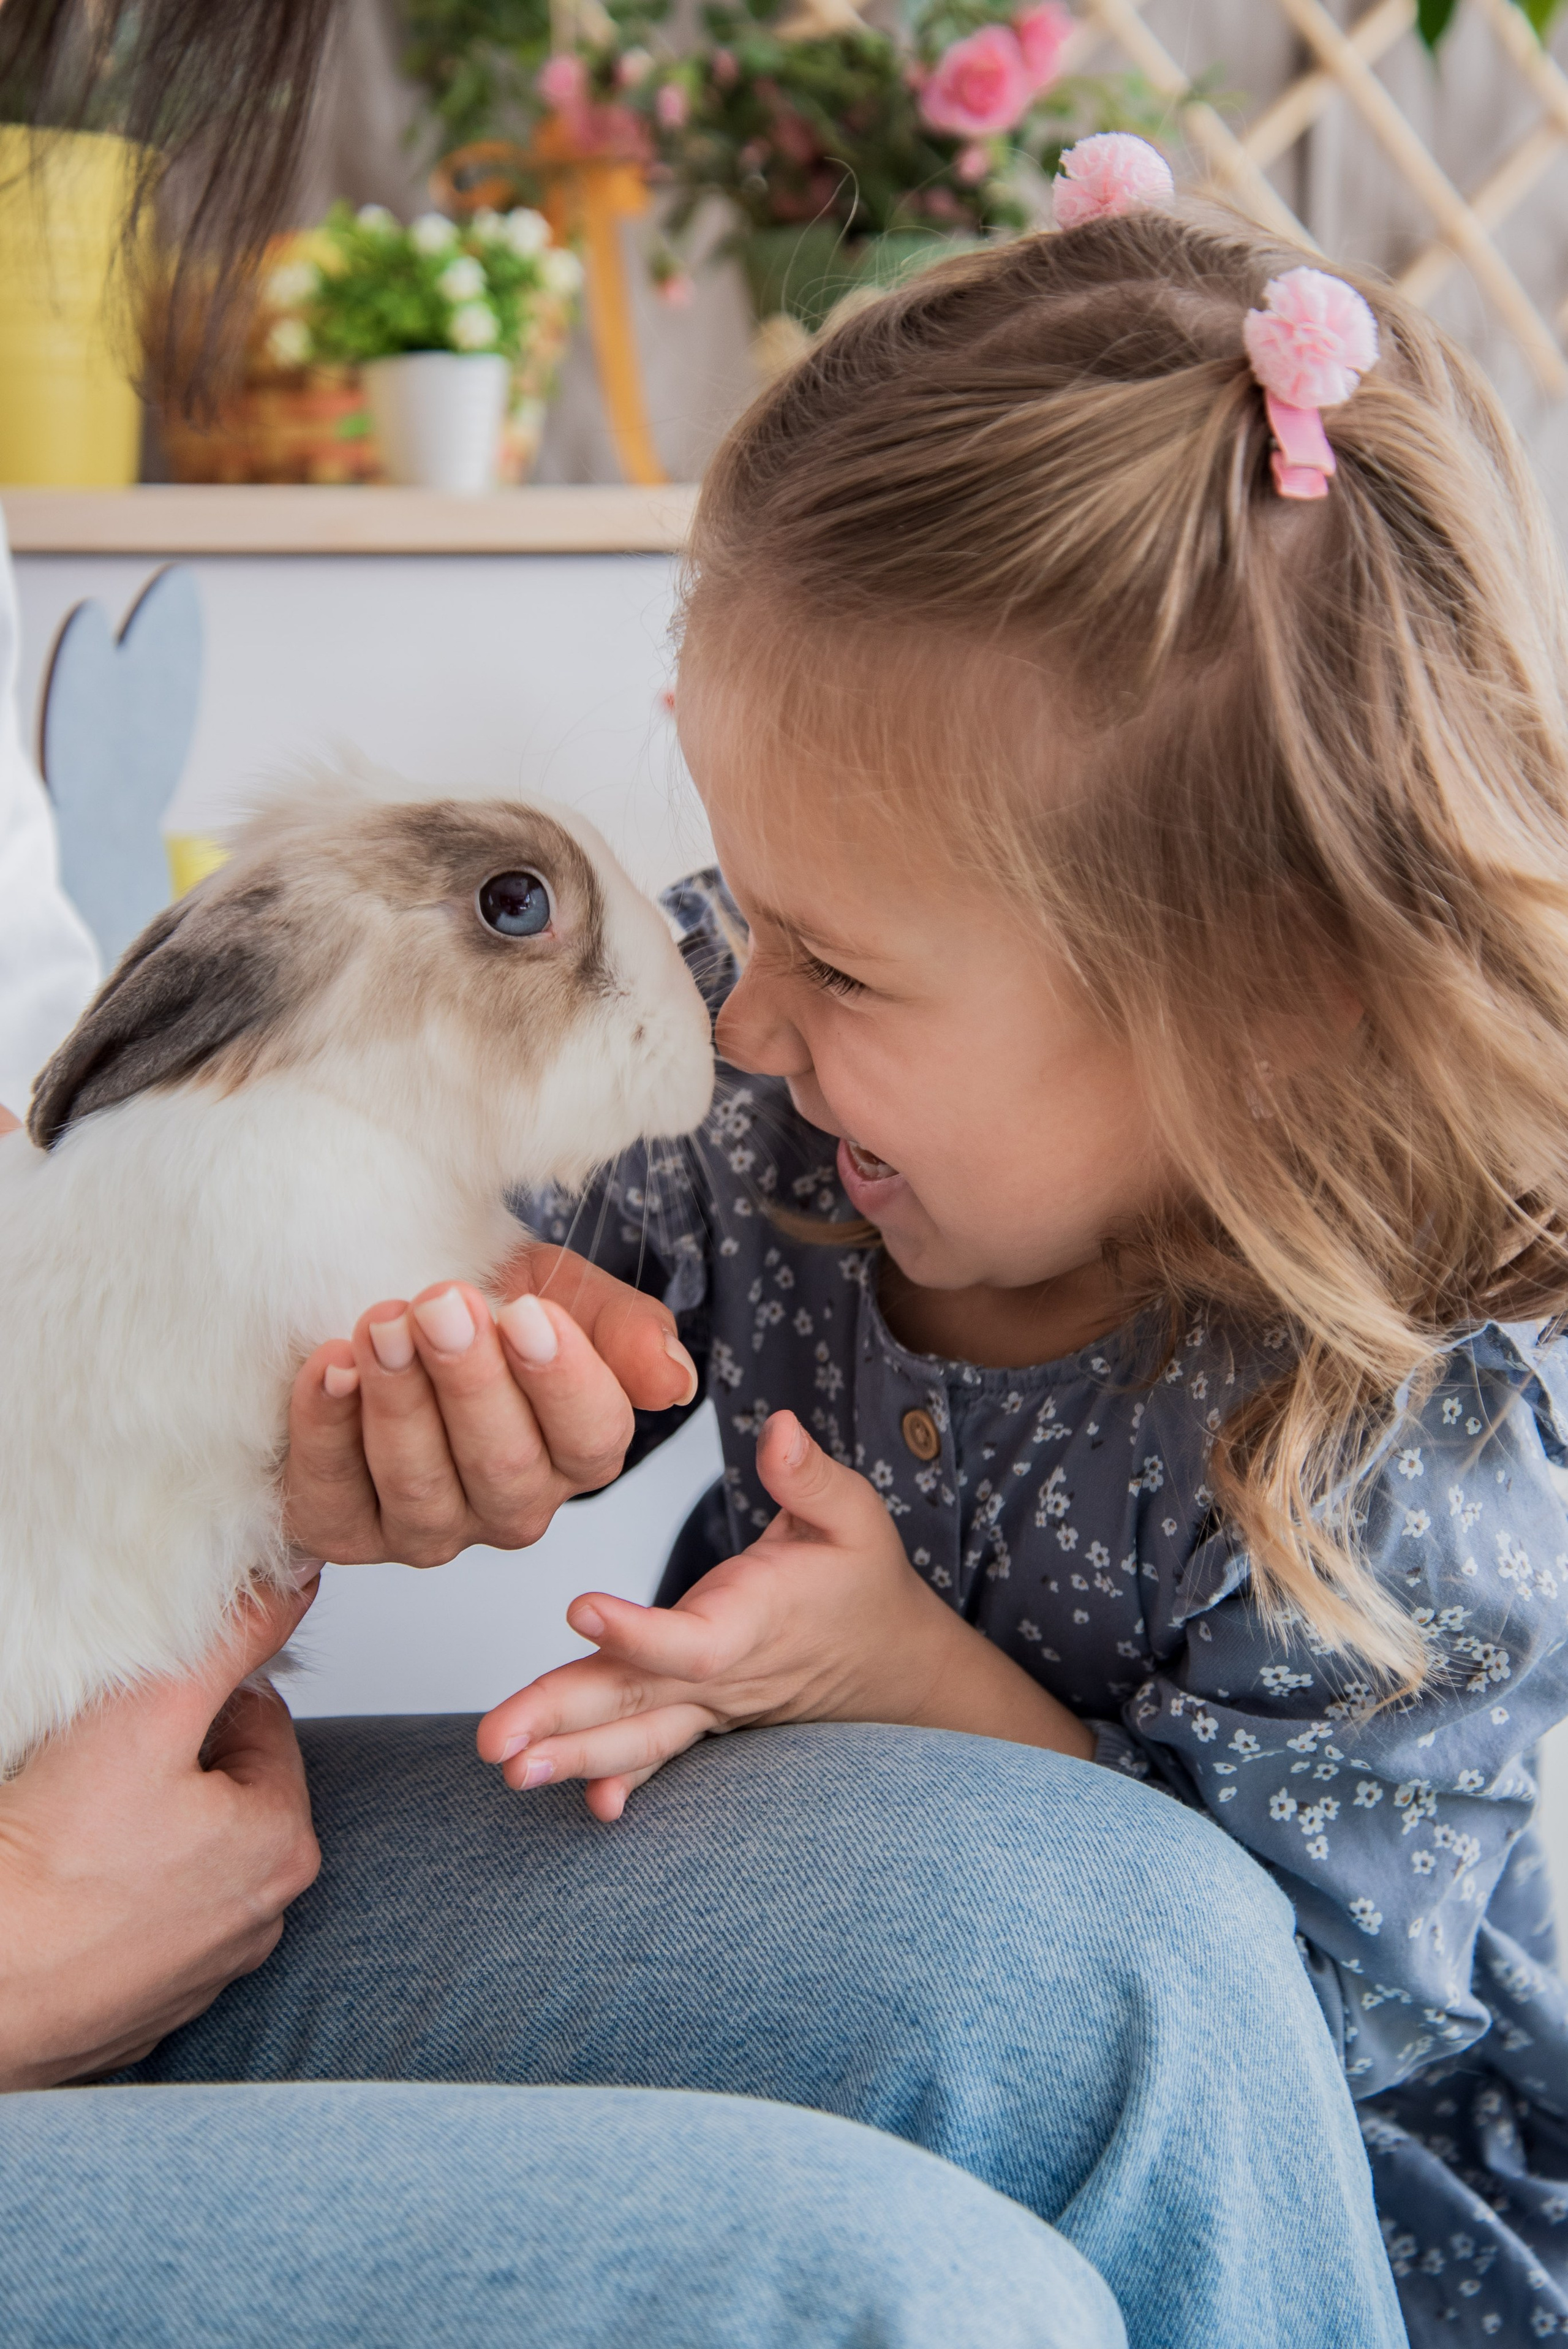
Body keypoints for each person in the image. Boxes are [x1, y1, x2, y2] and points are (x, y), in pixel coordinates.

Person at [267, 159, 1568, 2344]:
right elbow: (467, 1199)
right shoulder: (770, 1084)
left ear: (1258, 1002)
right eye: (738, 898)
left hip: (1315, 2226)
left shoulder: (1407, 1436)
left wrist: (904, 1684)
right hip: (840, 2073)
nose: (740, 1014)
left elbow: (1261, 2030)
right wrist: (435, 1323)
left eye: (842, 965)